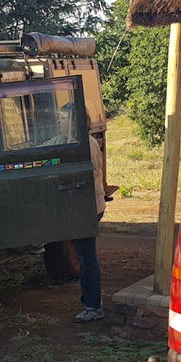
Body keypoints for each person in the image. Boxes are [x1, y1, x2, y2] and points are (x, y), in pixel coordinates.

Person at [73, 132, 110, 323]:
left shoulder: (81, 143)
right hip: (92, 206)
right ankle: (93, 302)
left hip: (86, 209)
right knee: (86, 257)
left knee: (87, 259)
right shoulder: (89, 141)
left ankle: (92, 306)